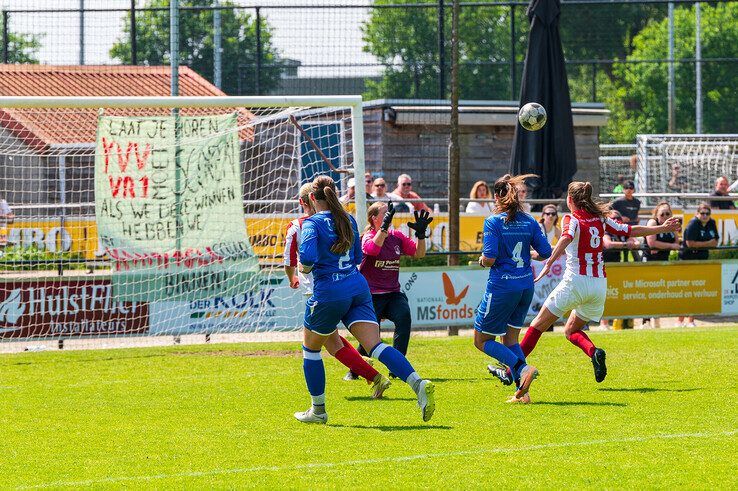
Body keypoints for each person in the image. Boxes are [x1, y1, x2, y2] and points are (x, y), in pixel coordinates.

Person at [493, 181, 679, 385]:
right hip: (599, 285)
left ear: (570, 199)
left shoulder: (571, 218)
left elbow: (566, 238)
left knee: (537, 326)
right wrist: (661, 227)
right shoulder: (600, 218)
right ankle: (594, 352)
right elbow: (630, 230)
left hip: (575, 282)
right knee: (571, 330)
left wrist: (548, 263)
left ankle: (512, 373)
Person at [295, 175, 435, 424]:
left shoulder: (312, 223)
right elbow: (358, 254)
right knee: (376, 346)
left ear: (313, 198)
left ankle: (318, 410)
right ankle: (418, 383)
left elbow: (306, 258)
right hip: (358, 287)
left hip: (330, 290)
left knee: (311, 349)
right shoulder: (347, 219)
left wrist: (305, 269)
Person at [283, 183, 389, 398]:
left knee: (328, 343)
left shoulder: (298, 225)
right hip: (347, 284)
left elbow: (289, 258)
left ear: (305, 201)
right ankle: (372, 374)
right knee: (333, 340)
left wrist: (291, 276)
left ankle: (372, 376)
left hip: (320, 289)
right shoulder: (339, 221)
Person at [474, 174, 552, 403]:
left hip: (502, 287)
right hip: (525, 285)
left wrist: (481, 260)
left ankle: (522, 368)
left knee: (481, 341)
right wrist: (530, 254)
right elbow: (546, 252)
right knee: (510, 340)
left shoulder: (493, 221)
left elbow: (489, 258)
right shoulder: (529, 221)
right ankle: (523, 393)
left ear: (497, 196)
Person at [346, 202, 432, 380]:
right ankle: (354, 370)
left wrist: (421, 235)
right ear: (374, 219)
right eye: (386, 214)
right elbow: (373, 249)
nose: (390, 217)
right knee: (369, 340)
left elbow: (419, 253)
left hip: (393, 293)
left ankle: (397, 369)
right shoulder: (367, 237)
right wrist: (383, 228)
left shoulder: (397, 237)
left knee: (404, 316)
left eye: (390, 214)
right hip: (370, 296)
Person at [677, 203, 719, 327]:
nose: (705, 216)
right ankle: (679, 321)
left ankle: (691, 320)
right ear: (697, 213)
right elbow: (690, 244)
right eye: (702, 213)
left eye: (707, 213)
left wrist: (701, 244)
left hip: (701, 259)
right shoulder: (693, 224)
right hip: (687, 260)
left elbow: (715, 242)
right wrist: (708, 243)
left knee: (696, 289)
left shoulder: (711, 223)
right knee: (685, 290)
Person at [599, 209, 640, 330]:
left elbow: (636, 242)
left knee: (620, 296)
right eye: (613, 218)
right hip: (606, 268)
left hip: (620, 269)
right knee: (606, 296)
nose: (616, 220)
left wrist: (631, 242)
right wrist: (626, 244)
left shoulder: (623, 231)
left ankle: (622, 323)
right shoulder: (606, 231)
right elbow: (608, 244)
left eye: (618, 218)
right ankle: (604, 323)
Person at [642, 202, 680, 328]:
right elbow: (652, 243)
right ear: (657, 214)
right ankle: (646, 321)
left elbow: (677, 242)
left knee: (659, 291)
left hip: (663, 260)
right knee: (648, 291)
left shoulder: (672, 224)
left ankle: (656, 320)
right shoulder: (653, 223)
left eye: (667, 213)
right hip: (650, 260)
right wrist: (669, 246)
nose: (665, 216)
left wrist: (663, 246)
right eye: (662, 214)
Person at [611, 180, 641, 260]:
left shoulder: (637, 202)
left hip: (633, 227)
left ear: (634, 189)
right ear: (623, 189)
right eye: (626, 188)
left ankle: (638, 262)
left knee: (635, 245)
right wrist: (621, 218)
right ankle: (628, 260)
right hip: (621, 228)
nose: (629, 190)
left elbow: (636, 213)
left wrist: (637, 218)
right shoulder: (617, 202)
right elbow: (609, 212)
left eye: (631, 188)